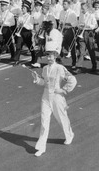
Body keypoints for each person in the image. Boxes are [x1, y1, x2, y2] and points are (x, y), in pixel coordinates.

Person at [31, 29, 76, 157]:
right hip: (45, 97)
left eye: (51, 56)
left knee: (61, 118)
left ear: (55, 56)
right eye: (47, 56)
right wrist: (36, 79)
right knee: (44, 122)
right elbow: (44, 83)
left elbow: (72, 79)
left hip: (57, 97)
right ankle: (41, 147)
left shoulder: (60, 68)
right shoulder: (44, 68)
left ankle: (69, 134)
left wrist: (63, 90)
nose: (48, 58)